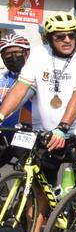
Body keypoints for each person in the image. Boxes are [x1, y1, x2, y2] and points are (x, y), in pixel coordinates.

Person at [0, 12, 76, 232]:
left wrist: (63, 128)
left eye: (71, 35)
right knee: (38, 192)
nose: (67, 40)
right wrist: (1, 114)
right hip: (46, 132)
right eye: (60, 37)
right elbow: (21, 88)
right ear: (49, 38)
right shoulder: (38, 55)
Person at [0, 33, 34, 164]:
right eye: (8, 54)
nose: (13, 57)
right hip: (4, 134)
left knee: (31, 171)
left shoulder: (38, 77)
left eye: (17, 52)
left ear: (27, 53)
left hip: (28, 136)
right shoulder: (2, 78)